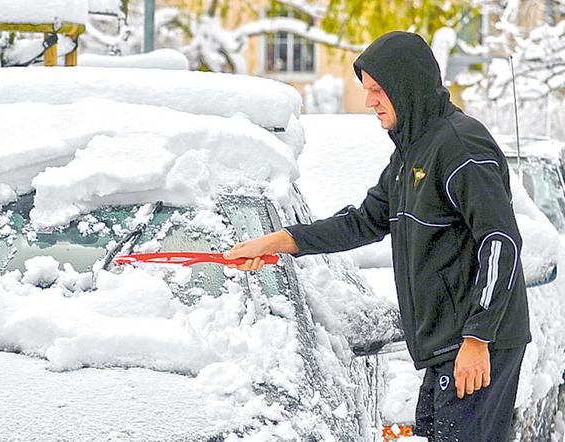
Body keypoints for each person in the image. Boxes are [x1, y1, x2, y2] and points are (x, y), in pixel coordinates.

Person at [223, 31, 530, 442]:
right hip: (447, 344)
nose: (370, 101)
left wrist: (478, 336)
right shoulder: (410, 153)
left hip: (477, 343)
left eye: (377, 90)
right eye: (367, 90)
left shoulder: (460, 148)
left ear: (407, 86)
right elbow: (364, 221)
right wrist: (280, 241)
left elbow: (500, 243)